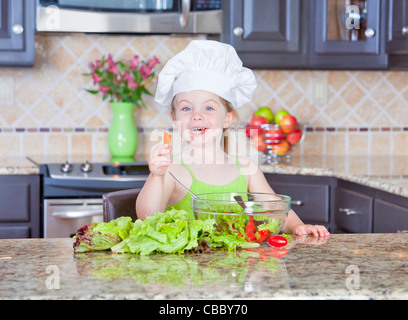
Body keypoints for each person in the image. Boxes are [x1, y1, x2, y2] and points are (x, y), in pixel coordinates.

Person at [136, 40, 329, 238]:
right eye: (186, 108)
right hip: (187, 268)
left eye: (208, 108)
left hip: (238, 268)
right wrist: (156, 176)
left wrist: (298, 227)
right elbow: (146, 217)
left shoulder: (247, 169)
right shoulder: (173, 171)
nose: (196, 115)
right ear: (175, 119)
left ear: (228, 118)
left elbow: (276, 210)